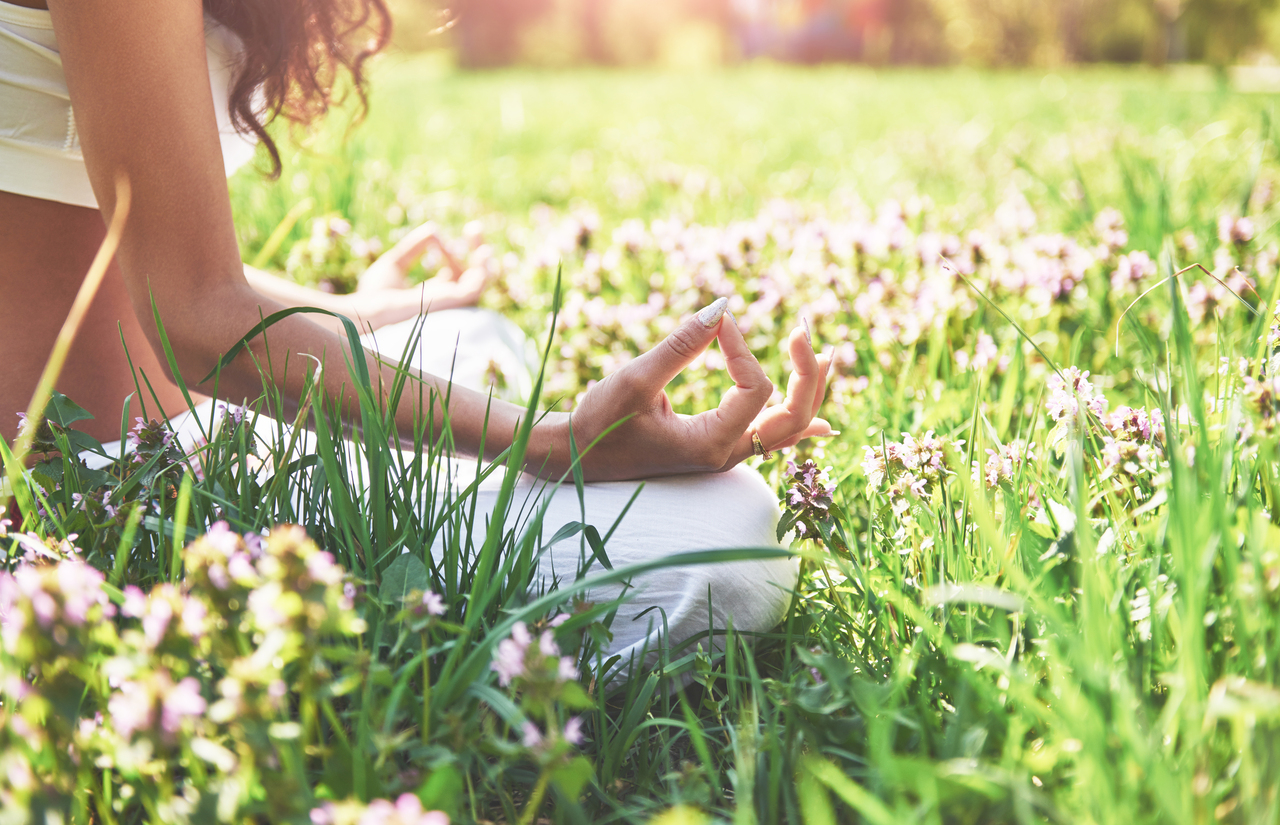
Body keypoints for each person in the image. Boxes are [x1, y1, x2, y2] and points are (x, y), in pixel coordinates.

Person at [0, 0, 834, 669]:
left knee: (468, 328)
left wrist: (357, 312)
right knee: (724, 547)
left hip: (206, 422)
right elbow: (193, 320)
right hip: (106, 487)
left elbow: (150, 259)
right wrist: (554, 441)